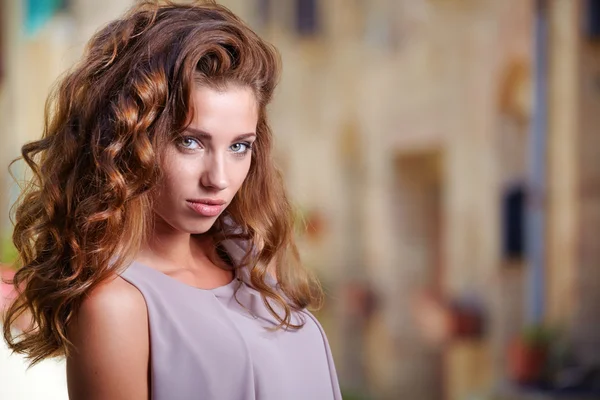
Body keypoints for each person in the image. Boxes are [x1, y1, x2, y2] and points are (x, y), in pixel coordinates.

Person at [2, 1, 342, 399]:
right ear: (128, 142)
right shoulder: (116, 306)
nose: (218, 179)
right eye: (190, 142)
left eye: (239, 146)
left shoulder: (248, 255)